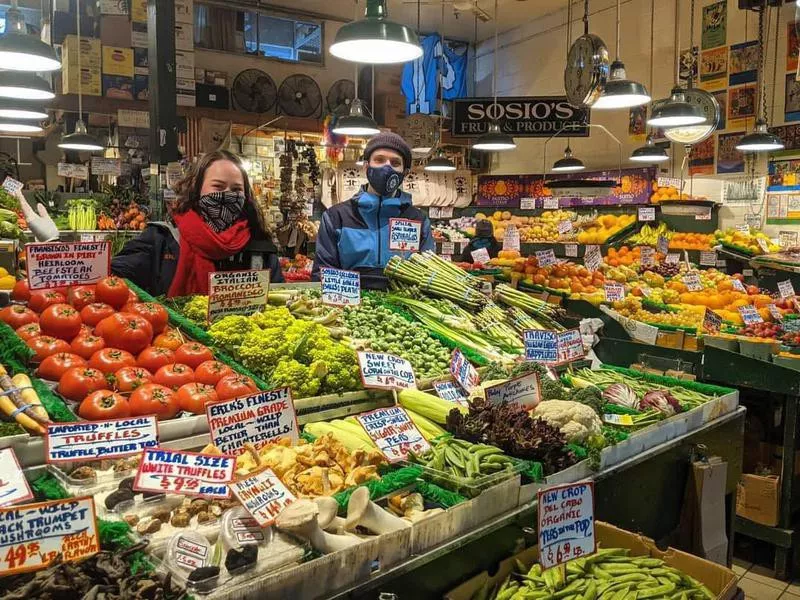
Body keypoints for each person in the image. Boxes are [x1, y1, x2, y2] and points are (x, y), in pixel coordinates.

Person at [20, 150, 283, 297]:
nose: (227, 196)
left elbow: (280, 306)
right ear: (196, 190)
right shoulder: (162, 240)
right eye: (217, 187)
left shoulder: (259, 248)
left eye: (236, 190)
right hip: (175, 362)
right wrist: (53, 245)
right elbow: (103, 282)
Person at [312, 132, 434, 289]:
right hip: (350, 308)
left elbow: (428, 273)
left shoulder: (418, 220)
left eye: (395, 163)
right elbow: (323, 273)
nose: (387, 167)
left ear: (405, 172)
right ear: (366, 166)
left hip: (404, 307)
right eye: (379, 160)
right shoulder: (336, 217)